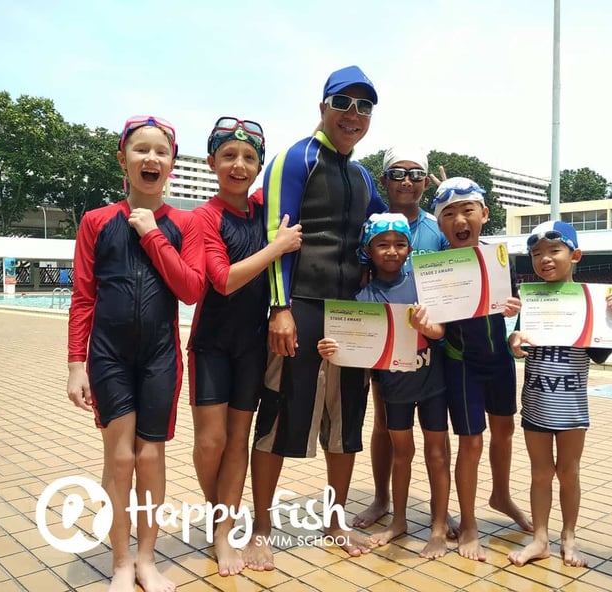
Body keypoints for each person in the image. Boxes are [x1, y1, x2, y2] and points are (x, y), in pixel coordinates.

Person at [244, 65, 387, 570]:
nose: (353, 115)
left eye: (364, 107)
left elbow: (385, 235)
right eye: (343, 103)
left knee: (347, 420)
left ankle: (334, 519)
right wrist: (279, 308)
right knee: (281, 414)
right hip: (300, 305)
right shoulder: (295, 158)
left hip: (352, 312)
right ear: (323, 106)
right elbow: (276, 236)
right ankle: (260, 527)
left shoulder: (363, 175)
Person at [67, 116, 205, 592]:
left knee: (151, 458)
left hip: (160, 356)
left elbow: (190, 289)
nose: (152, 158)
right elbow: (83, 297)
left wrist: (151, 233)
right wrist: (74, 366)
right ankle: (121, 561)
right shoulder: (97, 221)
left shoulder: (184, 224)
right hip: (108, 355)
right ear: (123, 159)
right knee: (120, 459)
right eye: (141, 150)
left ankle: (148, 558)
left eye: (161, 152)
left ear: (171, 164)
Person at [188, 117, 302, 576]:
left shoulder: (264, 211)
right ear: (213, 161)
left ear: (258, 168)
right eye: (229, 156)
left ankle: (222, 532)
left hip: (252, 344)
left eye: (249, 157)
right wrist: (276, 248)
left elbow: (296, 182)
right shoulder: (205, 217)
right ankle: (224, 516)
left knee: (238, 440)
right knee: (210, 441)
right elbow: (224, 279)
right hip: (212, 342)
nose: (239, 165)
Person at [319, 212, 451, 559]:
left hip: (432, 382)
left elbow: (441, 333)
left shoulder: (423, 285)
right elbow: (355, 349)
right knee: (402, 455)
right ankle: (400, 520)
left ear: (409, 249)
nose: (392, 251)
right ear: (368, 249)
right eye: (383, 245)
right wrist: (331, 349)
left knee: (437, 454)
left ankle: (438, 525)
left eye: (399, 244)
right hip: (395, 389)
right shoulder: (364, 299)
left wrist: (430, 327)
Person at [506, 220, 612, 568]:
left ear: (574, 255)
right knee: (540, 473)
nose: (545, 259)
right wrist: (514, 344)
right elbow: (517, 343)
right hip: (535, 402)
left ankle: (569, 537)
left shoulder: (593, 301)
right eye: (536, 254)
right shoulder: (531, 300)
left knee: (569, 472)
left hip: (572, 405)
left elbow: (601, 354)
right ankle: (541, 538)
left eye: (553, 251)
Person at [429, 176, 533, 561]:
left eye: (467, 210)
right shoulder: (438, 269)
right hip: (461, 365)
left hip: (499, 362)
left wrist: (517, 322)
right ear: (441, 224)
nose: (460, 219)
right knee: (471, 443)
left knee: (504, 431)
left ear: (484, 214)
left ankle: (501, 494)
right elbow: (438, 325)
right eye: (450, 214)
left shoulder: (500, 259)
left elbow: (525, 307)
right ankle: (469, 521)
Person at [352, 147, 450, 531]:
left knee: (434, 438)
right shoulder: (369, 222)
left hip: (431, 348)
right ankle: (382, 499)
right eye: (397, 174)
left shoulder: (436, 226)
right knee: (386, 424)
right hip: (386, 346)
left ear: (425, 182)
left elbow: (454, 280)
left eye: (415, 174)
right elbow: (361, 281)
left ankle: (439, 514)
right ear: (384, 180)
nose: (407, 181)